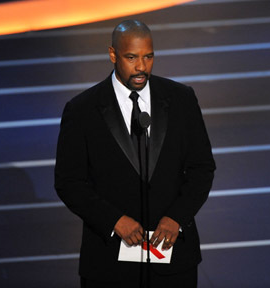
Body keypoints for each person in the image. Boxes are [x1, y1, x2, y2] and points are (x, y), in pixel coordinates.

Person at [54, 19, 215, 288]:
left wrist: (176, 217)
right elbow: (69, 182)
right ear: (113, 54)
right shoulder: (82, 110)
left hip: (172, 260)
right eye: (131, 57)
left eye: (148, 57)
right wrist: (114, 221)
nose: (141, 67)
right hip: (110, 263)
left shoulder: (181, 99)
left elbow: (202, 168)